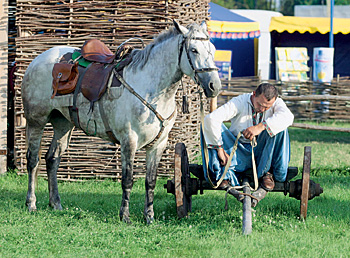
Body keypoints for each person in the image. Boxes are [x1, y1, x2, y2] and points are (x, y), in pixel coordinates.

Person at [202, 83, 294, 206]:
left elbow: (288, 117)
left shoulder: (277, 103)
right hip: (235, 154)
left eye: (267, 108)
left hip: (261, 154)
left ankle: (269, 174)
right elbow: (211, 119)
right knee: (207, 125)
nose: (262, 109)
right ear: (254, 94)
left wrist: (260, 127)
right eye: (260, 105)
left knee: (281, 128)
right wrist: (219, 148)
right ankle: (222, 175)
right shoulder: (239, 101)